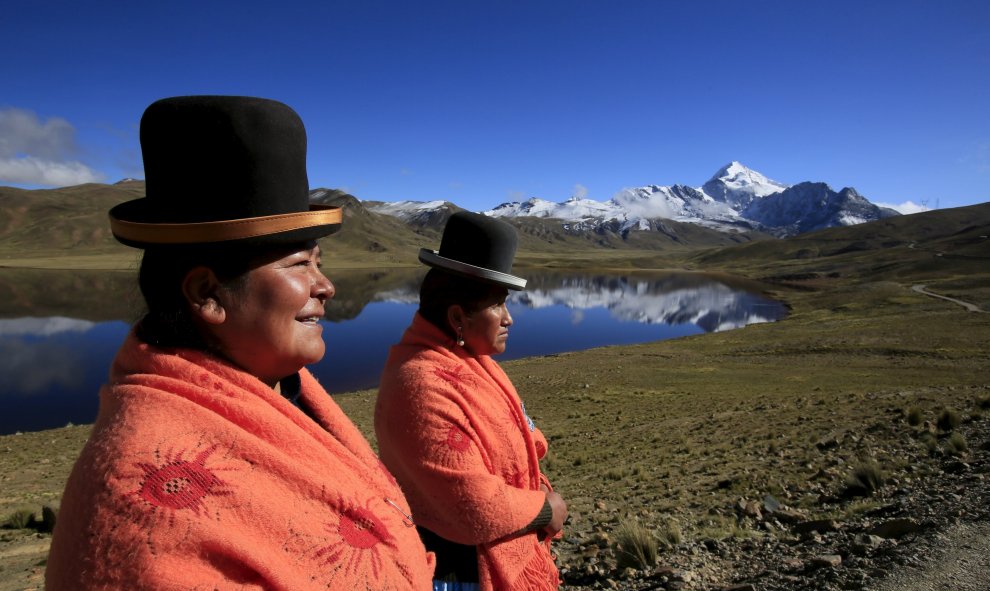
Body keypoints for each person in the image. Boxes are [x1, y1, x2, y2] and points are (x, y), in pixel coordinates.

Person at [45, 96, 434, 590]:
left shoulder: (283, 391)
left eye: (319, 262)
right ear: (208, 294)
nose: (326, 286)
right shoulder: (146, 504)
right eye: (299, 265)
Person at [375, 212, 567, 591]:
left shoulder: (470, 365)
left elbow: (525, 438)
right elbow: (471, 506)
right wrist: (546, 509)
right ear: (458, 318)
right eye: (498, 305)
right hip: (459, 572)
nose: (509, 319)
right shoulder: (421, 385)